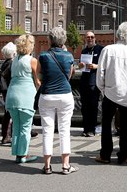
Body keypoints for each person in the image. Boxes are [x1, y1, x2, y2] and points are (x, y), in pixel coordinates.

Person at [95, 22, 127, 165]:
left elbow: (100, 73)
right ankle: (123, 155)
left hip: (110, 92)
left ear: (118, 35)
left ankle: (105, 154)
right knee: (125, 127)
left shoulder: (107, 50)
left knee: (106, 125)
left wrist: (103, 89)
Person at [37, 27, 78, 175]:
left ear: (50, 40)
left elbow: (39, 76)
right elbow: (69, 76)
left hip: (47, 95)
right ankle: (65, 165)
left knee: (47, 130)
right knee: (64, 130)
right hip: (65, 95)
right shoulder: (69, 56)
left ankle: (47, 166)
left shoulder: (43, 56)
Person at [6, 34, 39, 163]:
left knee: (16, 126)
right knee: (26, 127)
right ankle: (23, 155)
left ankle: (17, 153)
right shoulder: (32, 60)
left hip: (12, 94)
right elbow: (37, 80)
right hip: (26, 95)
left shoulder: (14, 60)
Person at [78, 31, 103, 137]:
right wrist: (80, 65)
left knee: (93, 106)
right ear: (85, 39)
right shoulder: (84, 50)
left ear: (95, 38)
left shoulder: (100, 50)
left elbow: (104, 64)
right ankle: (85, 128)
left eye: (92, 37)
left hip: (94, 82)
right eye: (88, 37)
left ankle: (91, 129)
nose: (90, 39)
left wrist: (96, 66)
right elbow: (80, 66)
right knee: (84, 107)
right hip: (84, 82)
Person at [0, 42, 16, 144]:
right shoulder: (12, 63)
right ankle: (7, 135)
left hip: (5, 91)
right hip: (10, 89)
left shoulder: (4, 63)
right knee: (11, 113)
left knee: (7, 113)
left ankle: (5, 134)